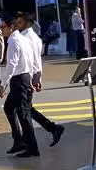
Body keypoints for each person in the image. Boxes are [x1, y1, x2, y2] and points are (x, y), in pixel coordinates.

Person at [0, 14, 45, 157]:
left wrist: (3, 84)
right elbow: (31, 60)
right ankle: (19, 140)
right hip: (24, 78)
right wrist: (32, 78)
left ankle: (32, 147)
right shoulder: (22, 39)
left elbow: (11, 65)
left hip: (19, 80)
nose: (2, 30)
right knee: (10, 108)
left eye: (3, 27)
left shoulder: (13, 41)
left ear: (11, 27)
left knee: (24, 115)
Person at [18, 13, 66, 147]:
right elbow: (38, 60)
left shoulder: (25, 38)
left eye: (20, 22)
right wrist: (39, 77)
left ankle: (47, 130)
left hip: (27, 75)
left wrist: (34, 78)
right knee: (25, 107)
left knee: (24, 108)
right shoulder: (36, 38)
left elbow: (29, 60)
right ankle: (49, 129)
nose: (18, 25)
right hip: (34, 74)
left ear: (28, 23)